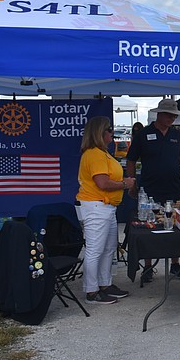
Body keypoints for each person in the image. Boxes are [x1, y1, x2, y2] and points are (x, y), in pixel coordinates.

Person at [126, 98, 180, 283]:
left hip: (173, 188)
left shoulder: (176, 134)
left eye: (174, 115)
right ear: (159, 114)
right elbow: (131, 159)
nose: (172, 118)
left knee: (174, 226)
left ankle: (175, 263)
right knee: (151, 227)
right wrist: (132, 183)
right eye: (169, 115)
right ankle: (148, 266)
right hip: (150, 189)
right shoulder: (143, 134)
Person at [77, 117, 136, 304]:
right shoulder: (94, 154)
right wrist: (124, 184)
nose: (112, 133)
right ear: (100, 132)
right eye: (110, 130)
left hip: (106, 207)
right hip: (96, 206)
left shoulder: (103, 153)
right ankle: (91, 290)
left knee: (109, 247)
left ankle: (105, 284)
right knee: (95, 250)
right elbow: (102, 182)